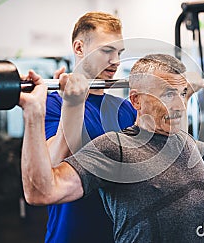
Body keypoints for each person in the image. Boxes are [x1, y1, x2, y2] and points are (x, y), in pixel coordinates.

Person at [20, 54, 204, 242]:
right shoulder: (116, 148)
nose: (180, 106)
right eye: (168, 94)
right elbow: (41, 192)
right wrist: (33, 112)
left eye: (182, 93)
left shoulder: (186, 143)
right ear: (136, 100)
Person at [44, 12, 137, 242]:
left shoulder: (125, 108)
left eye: (119, 53)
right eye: (107, 51)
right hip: (72, 234)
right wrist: (72, 104)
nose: (116, 61)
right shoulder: (53, 103)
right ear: (79, 48)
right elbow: (53, 166)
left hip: (120, 235)